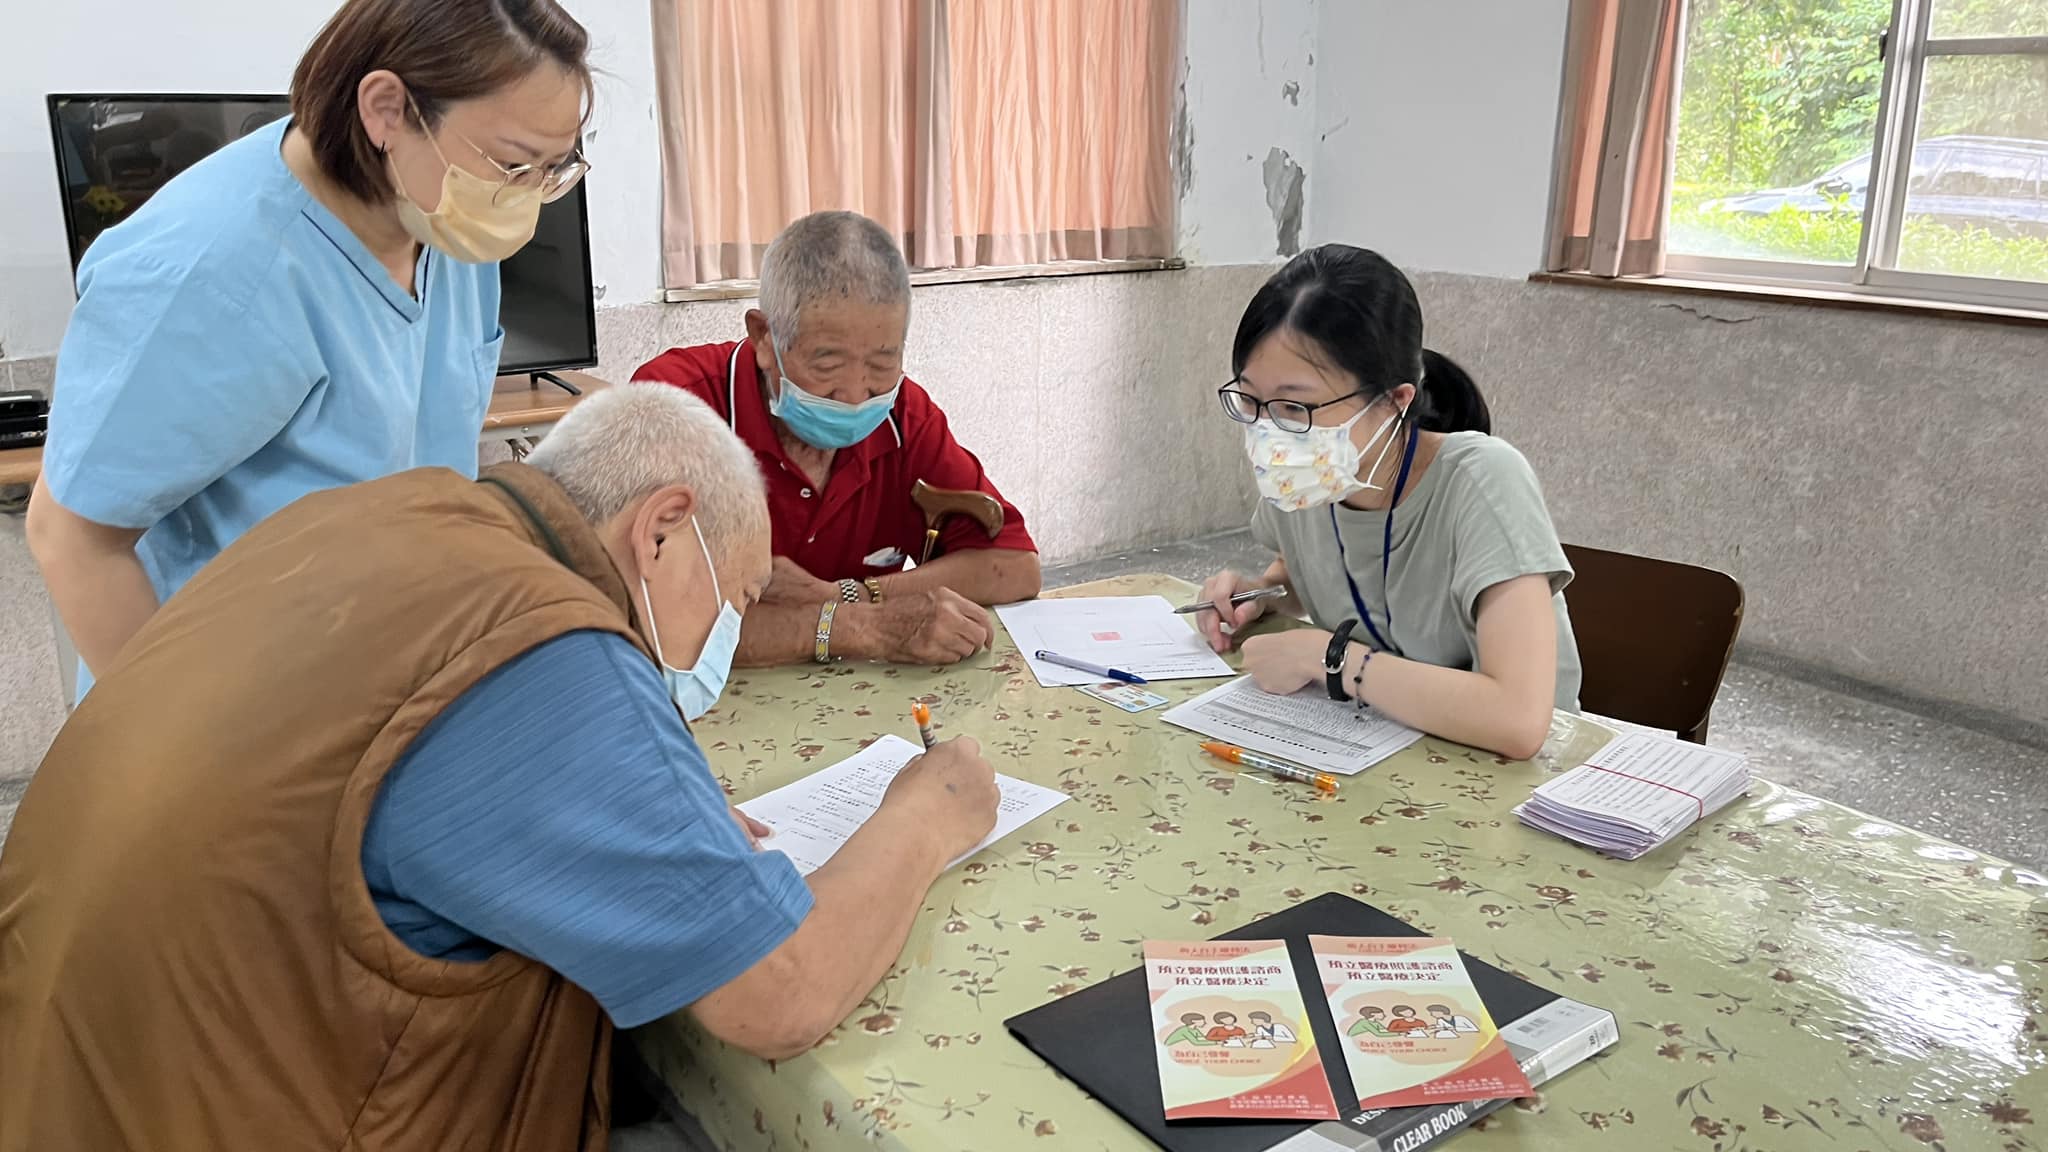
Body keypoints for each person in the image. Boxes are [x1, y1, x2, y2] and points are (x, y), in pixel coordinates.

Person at [0, 385, 1002, 1152]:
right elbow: (777, 999)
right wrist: (925, 815)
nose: (726, 633)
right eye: (735, 595)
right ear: (660, 529)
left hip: (77, 1085)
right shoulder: (542, 647)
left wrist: (645, 809)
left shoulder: (379, 523)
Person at [26, 0, 592, 698]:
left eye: (552, 168)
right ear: (387, 110)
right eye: (512, 165)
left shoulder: (447, 225)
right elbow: (72, 537)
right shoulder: (209, 270)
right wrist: (183, 754)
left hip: (375, 679)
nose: (528, 197)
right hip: (225, 705)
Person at [1194, 245, 1581, 761]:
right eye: (1250, 401)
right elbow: (1319, 567)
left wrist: (1327, 658)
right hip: (1381, 747)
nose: (1270, 433)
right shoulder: (1304, 480)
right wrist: (1264, 593)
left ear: (1395, 400)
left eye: (1295, 406)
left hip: (1509, 776)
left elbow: (1519, 720)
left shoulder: (1484, 481)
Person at [634, 210, 1041, 669]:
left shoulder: (905, 417)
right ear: (764, 337)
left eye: (881, 365)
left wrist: (853, 594)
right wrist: (864, 625)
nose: (853, 395)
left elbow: (1014, 565)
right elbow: (651, 623)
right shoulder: (677, 408)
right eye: (827, 365)